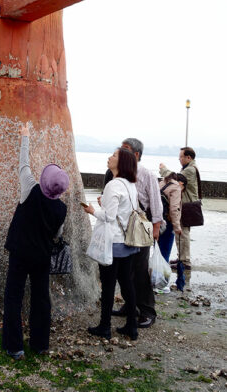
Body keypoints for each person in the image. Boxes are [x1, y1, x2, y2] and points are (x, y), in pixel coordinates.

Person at [2, 123, 68, 360]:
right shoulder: (61, 208)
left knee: (13, 297)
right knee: (41, 300)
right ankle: (40, 344)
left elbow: (24, 164)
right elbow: (58, 235)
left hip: (20, 254)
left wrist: (25, 137)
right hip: (42, 256)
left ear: (44, 179)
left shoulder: (30, 188)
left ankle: (14, 346)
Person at [83, 147, 139, 341]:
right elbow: (123, 212)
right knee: (127, 284)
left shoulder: (113, 185)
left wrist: (92, 210)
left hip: (113, 243)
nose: (109, 157)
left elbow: (108, 216)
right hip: (128, 243)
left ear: (121, 162)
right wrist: (103, 205)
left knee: (107, 286)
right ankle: (132, 326)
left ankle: (104, 326)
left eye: (114, 155)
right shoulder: (130, 185)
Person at [108, 138, 163, 328]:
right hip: (122, 226)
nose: (121, 153)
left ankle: (147, 310)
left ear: (136, 155)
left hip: (140, 224)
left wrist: (156, 227)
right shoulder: (117, 174)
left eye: (126, 150)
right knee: (125, 269)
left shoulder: (146, 174)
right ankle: (130, 305)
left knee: (139, 269)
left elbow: (156, 203)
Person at [160, 147, 201, 270]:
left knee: (183, 233)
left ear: (189, 157)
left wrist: (163, 170)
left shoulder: (190, 170)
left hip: (187, 205)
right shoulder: (188, 168)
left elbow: (174, 179)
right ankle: (182, 258)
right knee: (180, 233)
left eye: (181, 157)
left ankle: (185, 261)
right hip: (186, 204)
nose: (179, 159)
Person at [158, 172, 187, 264]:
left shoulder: (162, 183)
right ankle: (162, 275)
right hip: (167, 223)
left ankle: (155, 272)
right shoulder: (176, 187)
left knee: (157, 250)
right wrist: (177, 227)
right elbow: (174, 209)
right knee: (165, 252)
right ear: (181, 183)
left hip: (156, 221)